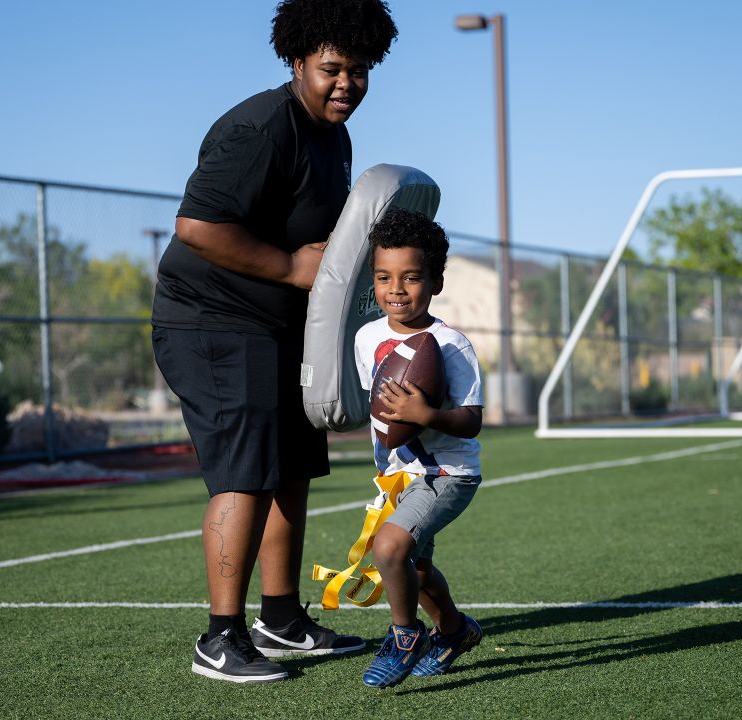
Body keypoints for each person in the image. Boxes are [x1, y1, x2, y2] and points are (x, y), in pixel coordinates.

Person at [151, 0, 398, 684]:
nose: (346, 83)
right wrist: (292, 267)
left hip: (278, 327)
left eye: (360, 70)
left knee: (292, 466)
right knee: (246, 473)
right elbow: (197, 226)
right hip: (211, 323)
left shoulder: (334, 136)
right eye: (331, 69)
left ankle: (281, 618)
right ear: (295, 60)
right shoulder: (260, 127)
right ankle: (220, 638)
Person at [352, 208, 485, 688]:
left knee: (390, 548)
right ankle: (453, 630)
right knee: (418, 565)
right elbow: (380, 410)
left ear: (436, 281)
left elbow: (471, 421)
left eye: (411, 277)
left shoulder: (451, 345)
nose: (397, 289)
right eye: (385, 277)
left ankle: (405, 635)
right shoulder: (367, 337)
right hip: (399, 475)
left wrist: (426, 416)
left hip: (447, 474)